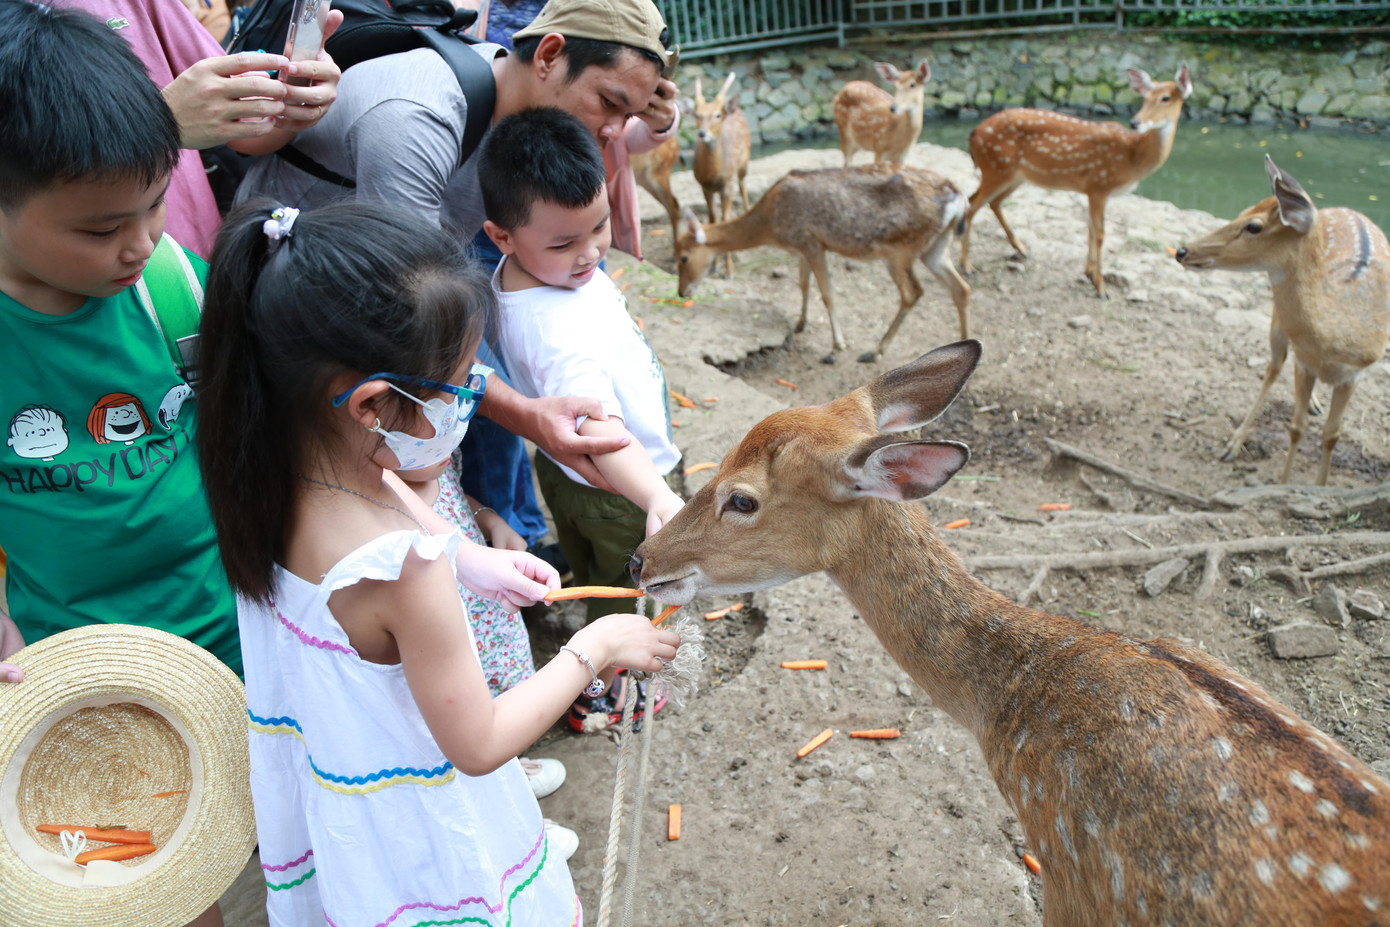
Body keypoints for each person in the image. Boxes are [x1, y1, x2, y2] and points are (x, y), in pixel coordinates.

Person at [195, 199, 679, 923]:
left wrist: (465, 558)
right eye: (458, 386)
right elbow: (479, 741)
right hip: (426, 836)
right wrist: (595, 644)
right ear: (371, 405)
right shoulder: (402, 573)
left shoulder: (264, 476)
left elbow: (389, 503)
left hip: (348, 808)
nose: (466, 403)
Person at [235, 0, 679, 549]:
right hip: (305, 324)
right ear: (549, 54)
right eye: (609, 103)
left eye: (629, 117)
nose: (612, 132)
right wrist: (526, 413)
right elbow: (415, 312)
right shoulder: (417, 120)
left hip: (362, 313)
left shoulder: (510, 112)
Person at [0, 0, 238, 683]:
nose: (141, 243)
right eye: (101, 231)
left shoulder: (174, 288)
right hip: (66, 668)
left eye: (158, 201)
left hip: (232, 643)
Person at [479, 108, 683, 732]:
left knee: (589, 560)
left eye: (598, 228)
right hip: (615, 486)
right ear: (501, 236)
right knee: (617, 583)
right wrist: (655, 493)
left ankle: (593, 662)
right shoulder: (559, 331)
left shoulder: (527, 275)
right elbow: (599, 433)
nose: (590, 252)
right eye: (565, 243)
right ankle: (600, 686)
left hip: (564, 473)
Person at [53, 0, 342, 260]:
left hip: (192, 258)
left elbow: (243, 131)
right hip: (75, 273)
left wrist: (292, 103)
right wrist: (159, 120)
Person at [394, 449, 572, 810]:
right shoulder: (383, 505)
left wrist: (490, 521)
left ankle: (507, 770)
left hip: (491, 623)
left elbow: (451, 491)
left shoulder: (433, 460)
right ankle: (502, 811)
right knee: (467, 723)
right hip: (453, 633)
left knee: (506, 699)